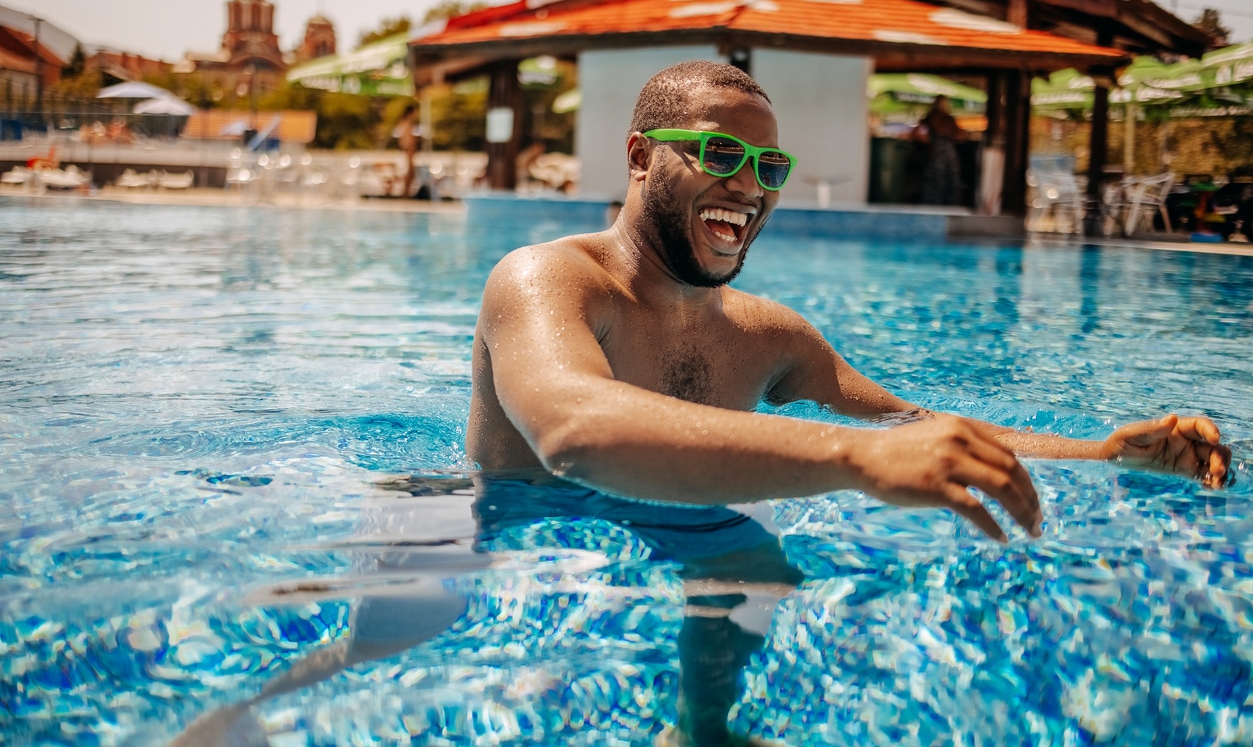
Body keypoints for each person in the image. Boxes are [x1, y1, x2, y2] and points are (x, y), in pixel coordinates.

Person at [466, 60, 1230, 741]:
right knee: (409, 648)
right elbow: (572, 428)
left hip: (678, 513)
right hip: (515, 520)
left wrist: (1101, 455)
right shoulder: (545, 277)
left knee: (752, 560)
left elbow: (913, 426)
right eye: (720, 152)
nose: (748, 184)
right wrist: (852, 457)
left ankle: (700, 733)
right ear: (639, 156)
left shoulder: (767, 335)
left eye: (769, 166)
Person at [912, 95, 966, 205]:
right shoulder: (948, 119)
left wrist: (928, 141)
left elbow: (916, 133)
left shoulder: (931, 117)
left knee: (935, 181)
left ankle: (933, 205)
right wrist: (948, 135)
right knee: (950, 180)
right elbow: (961, 136)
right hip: (948, 152)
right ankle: (949, 205)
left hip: (935, 152)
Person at [393, 104, 420, 198]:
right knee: (410, 173)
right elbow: (404, 139)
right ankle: (405, 193)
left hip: (408, 150)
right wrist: (409, 148)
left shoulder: (404, 122)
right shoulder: (407, 123)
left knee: (411, 173)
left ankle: (406, 193)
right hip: (408, 150)